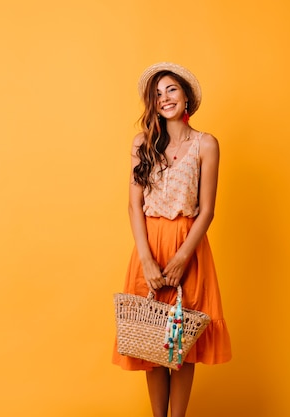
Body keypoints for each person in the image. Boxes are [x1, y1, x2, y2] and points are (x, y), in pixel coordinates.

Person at [113, 62, 232, 417]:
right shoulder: (142, 144)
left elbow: (207, 210)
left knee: (181, 342)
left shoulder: (205, 144)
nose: (165, 98)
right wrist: (147, 260)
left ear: (186, 97)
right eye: (158, 94)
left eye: (172, 90)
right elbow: (134, 206)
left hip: (187, 245)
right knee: (150, 339)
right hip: (148, 243)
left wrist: (182, 258)